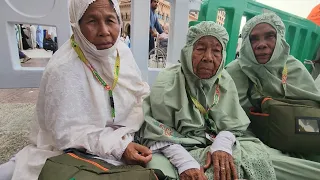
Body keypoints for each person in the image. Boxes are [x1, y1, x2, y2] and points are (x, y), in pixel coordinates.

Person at [0, 0, 151, 179]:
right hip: (75, 149)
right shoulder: (62, 67)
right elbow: (66, 133)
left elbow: (138, 93)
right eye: (92, 21)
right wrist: (118, 147)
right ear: (76, 25)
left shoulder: (122, 52)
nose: (104, 31)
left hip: (125, 135)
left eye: (110, 20)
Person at [139, 21, 276, 180]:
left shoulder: (225, 80)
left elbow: (235, 126)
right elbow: (156, 133)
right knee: (158, 171)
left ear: (223, 55)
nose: (208, 58)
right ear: (188, 51)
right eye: (200, 49)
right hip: (175, 147)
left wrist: (222, 144)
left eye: (216, 51)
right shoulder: (167, 81)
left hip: (212, 143)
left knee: (253, 158)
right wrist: (185, 163)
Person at [226, 13, 320, 179]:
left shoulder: (294, 68)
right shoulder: (234, 72)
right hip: (252, 142)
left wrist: (290, 128)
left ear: (280, 39)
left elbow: (313, 118)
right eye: (254, 39)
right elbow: (226, 119)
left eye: (270, 36)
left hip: (298, 141)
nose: (262, 44)